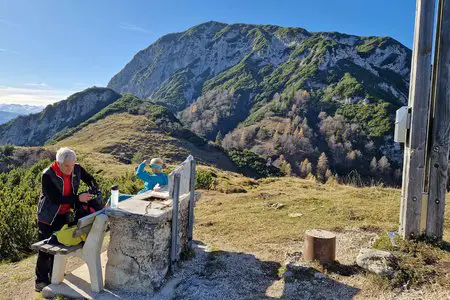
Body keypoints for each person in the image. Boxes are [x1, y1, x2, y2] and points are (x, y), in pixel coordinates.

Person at [35, 147, 98, 292]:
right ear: (58, 163)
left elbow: (89, 179)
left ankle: (55, 275)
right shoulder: (48, 175)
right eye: (66, 166)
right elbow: (55, 199)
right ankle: (41, 281)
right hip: (48, 217)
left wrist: (93, 187)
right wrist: (78, 198)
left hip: (64, 215)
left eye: (72, 165)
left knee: (59, 245)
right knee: (46, 250)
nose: (70, 169)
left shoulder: (76, 168)